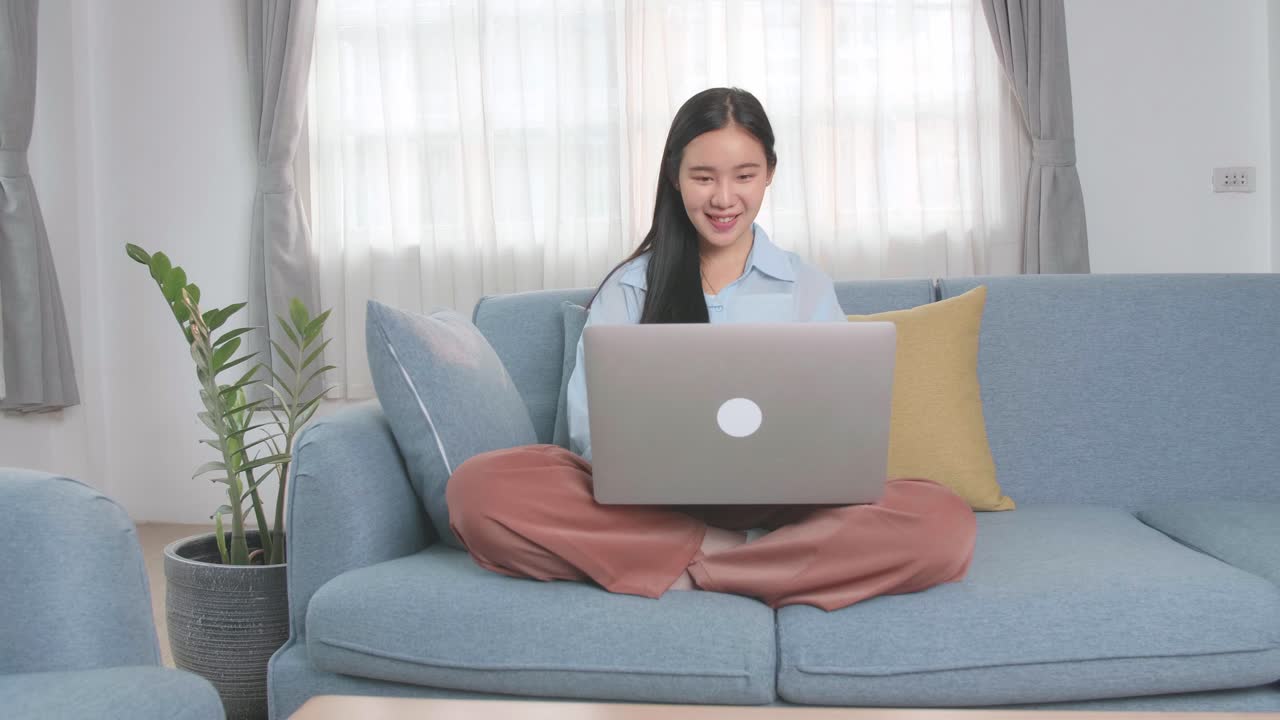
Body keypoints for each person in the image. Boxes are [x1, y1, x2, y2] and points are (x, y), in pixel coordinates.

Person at [446, 87, 975, 611]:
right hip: (649, 510)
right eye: (703, 177)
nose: (724, 199)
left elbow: (841, 431)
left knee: (941, 521)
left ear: (769, 172)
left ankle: (696, 568)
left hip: (786, 511)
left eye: (744, 176)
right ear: (675, 177)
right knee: (480, 490)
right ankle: (756, 563)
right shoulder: (630, 288)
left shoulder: (805, 286)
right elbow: (590, 433)